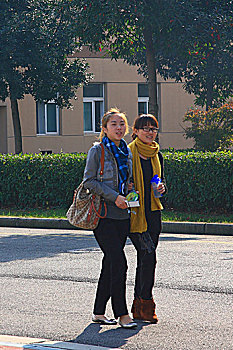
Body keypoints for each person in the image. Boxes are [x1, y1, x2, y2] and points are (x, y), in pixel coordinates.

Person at [82, 108, 136, 329]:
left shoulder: (126, 151)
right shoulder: (98, 151)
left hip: (122, 215)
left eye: (122, 124)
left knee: (110, 263)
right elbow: (89, 182)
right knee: (119, 262)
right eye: (114, 124)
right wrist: (115, 197)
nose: (119, 128)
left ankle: (98, 312)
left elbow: (126, 179)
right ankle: (122, 314)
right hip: (103, 215)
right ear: (104, 129)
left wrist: (129, 188)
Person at [127, 114, 167, 324]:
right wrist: (127, 188)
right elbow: (118, 180)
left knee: (144, 259)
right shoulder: (128, 153)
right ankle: (147, 302)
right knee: (149, 256)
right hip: (135, 214)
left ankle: (138, 307)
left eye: (153, 128)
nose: (149, 132)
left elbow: (159, 182)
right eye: (145, 128)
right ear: (135, 131)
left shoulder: (156, 155)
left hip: (153, 212)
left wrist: (161, 188)